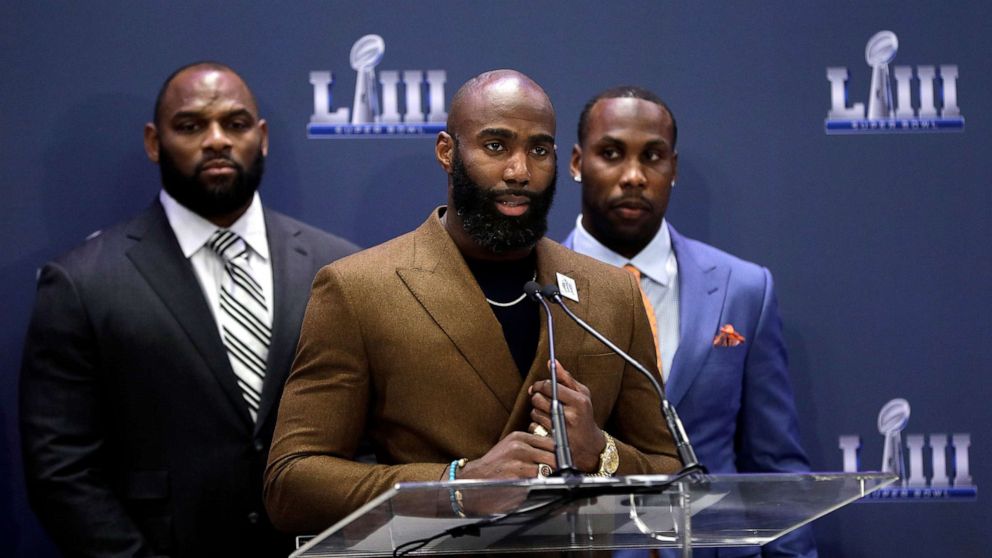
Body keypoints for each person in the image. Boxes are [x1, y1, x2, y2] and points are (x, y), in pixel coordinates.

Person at [264, 70, 681, 533]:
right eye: (496, 146)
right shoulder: (358, 288)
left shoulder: (611, 292)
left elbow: (675, 476)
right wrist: (456, 487)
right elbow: (292, 483)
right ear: (447, 152)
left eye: (539, 150)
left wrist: (601, 454)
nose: (519, 171)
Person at [19, 62, 358, 557]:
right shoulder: (81, 282)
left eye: (236, 124)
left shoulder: (341, 268)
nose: (217, 140)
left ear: (261, 138)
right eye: (191, 125)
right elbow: (62, 470)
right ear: (154, 142)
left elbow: (369, 439)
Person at [563, 86, 817, 557]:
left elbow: (776, 467)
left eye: (653, 156)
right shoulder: (535, 288)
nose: (634, 176)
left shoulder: (745, 289)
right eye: (612, 153)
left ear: (673, 170)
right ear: (578, 163)